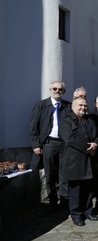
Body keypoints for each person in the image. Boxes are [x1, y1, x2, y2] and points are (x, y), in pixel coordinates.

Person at [30, 81, 72, 212]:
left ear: (64, 92)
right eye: (55, 88)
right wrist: (36, 144)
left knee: (64, 174)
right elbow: (33, 126)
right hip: (48, 144)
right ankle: (53, 202)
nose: (57, 91)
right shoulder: (41, 105)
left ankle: (64, 201)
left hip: (64, 144)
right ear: (50, 90)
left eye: (60, 89)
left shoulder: (68, 106)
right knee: (50, 175)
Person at [60, 97, 98, 226]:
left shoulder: (89, 120)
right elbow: (70, 139)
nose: (83, 108)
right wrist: (89, 149)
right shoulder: (67, 121)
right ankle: (76, 215)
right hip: (76, 160)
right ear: (73, 106)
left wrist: (96, 144)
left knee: (89, 188)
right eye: (80, 105)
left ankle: (88, 211)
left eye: (85, 105)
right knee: (75, 190)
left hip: (90, 160)